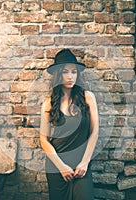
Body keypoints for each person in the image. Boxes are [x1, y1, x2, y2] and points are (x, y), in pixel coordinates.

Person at [39, 49, 99, 200]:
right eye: (65, 72)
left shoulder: (87, 97)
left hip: (81, 164)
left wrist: (85, 162)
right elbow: (43, 140)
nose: (70, 76)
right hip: (57, 166)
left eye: (74, 72)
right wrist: (61, 167)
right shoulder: (49, 102)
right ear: (58, 74)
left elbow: (94, 132)